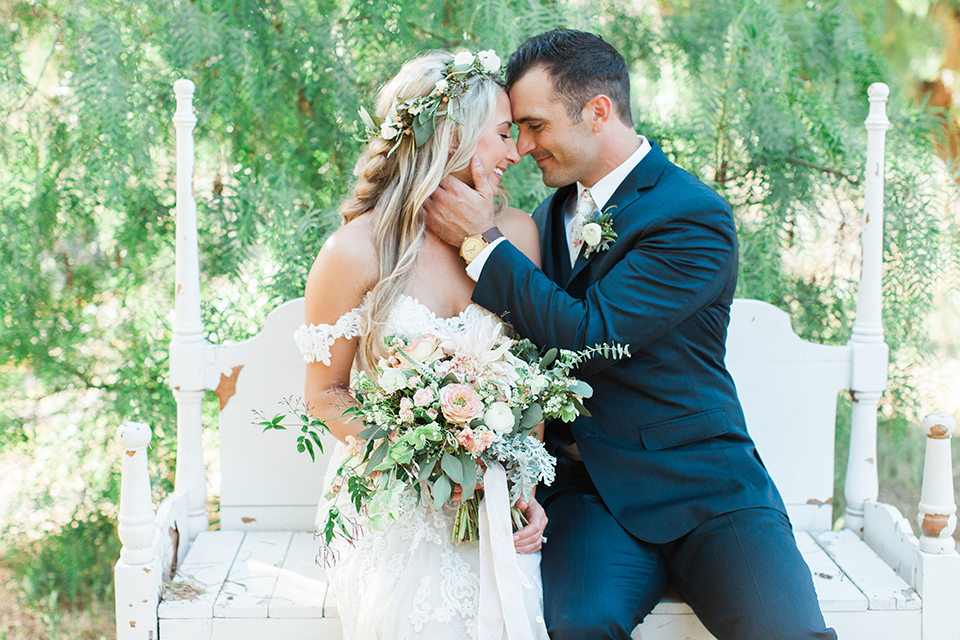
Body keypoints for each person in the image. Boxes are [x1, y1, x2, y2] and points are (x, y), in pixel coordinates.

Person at [423, 29, 838, 640]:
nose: (524, 146)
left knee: (787, 633)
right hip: (591, 494)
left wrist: (483, 243)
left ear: (597, 111)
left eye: (535, 125)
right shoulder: (547, 215)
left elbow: (593, 335)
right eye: (516, 129)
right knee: (577, 625)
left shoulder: (691, 215)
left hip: (706, 486)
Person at [293, 50, 550, 640]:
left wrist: (525, 490)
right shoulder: (354, 252)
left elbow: (534, 379)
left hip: (495, 494)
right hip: (390, 493)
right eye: (504, 135)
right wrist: (424, 460)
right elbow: (326, 395)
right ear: (454, 136)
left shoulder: (516, 235)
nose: (517, 153)